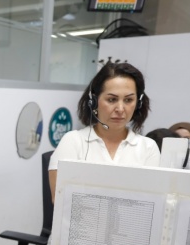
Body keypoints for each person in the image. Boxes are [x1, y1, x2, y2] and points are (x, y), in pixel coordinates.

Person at [49, 62, 160, 203]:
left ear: (138, 104)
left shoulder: (148, 147)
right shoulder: (73, 141)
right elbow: (60, 201)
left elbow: (151, 203)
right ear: (94, 102)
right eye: (112, 99)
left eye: (128, 100)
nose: (120, 109)